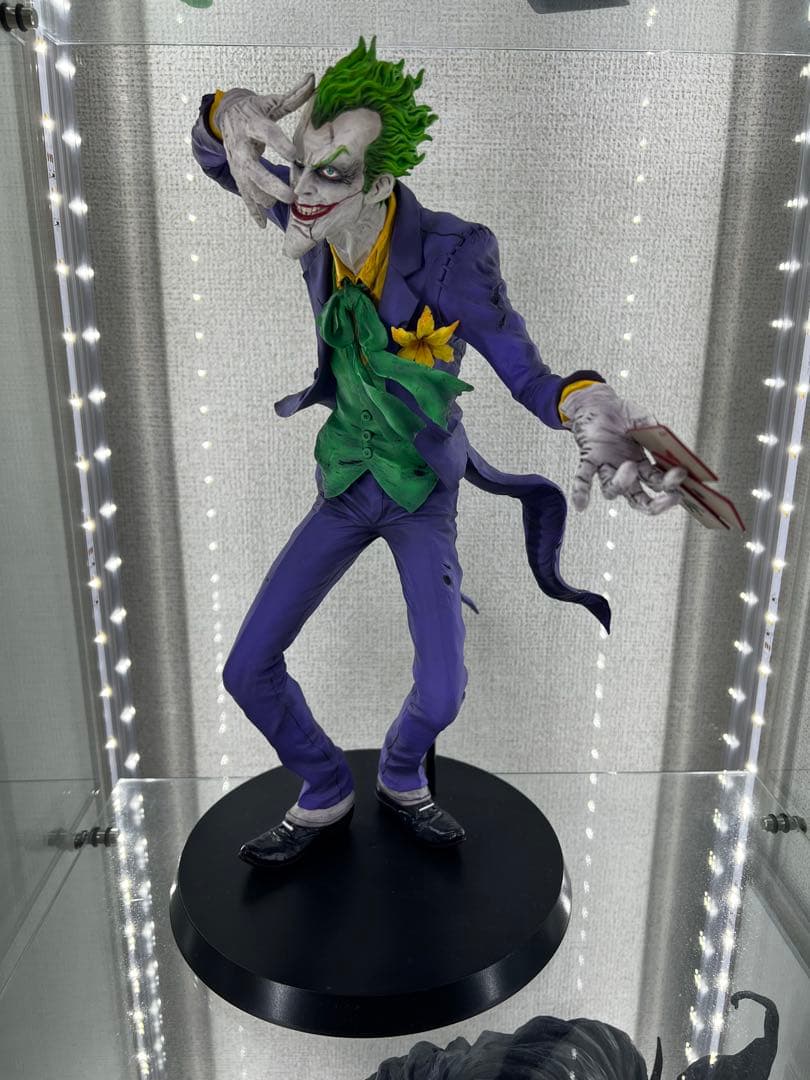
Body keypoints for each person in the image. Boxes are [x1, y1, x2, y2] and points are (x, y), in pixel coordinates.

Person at [190, 37, 685, 868]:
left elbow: (527, 371)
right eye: (299, 167)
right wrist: (225, 112)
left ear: (379, 184)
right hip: (346, 482)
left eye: (330, 175)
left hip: (421, 490)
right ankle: (324, 784)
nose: (301, 191)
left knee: (444, 691)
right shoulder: (309, 217)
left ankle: (400, 774)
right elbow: (223, 158)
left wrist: (585, 403)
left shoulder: (453, 254)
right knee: (246, 668)